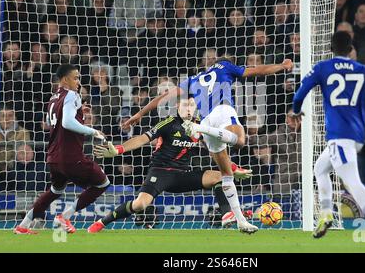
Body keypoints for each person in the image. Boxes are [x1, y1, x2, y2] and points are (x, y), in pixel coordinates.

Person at [123, 56, 293, 233]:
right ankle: (199, 128)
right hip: (221, 111)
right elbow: (256, 70)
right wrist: (282, 65)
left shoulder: (191, 80)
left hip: (206, 121)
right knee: (240, 141)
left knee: (226, 175)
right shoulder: (225, 66)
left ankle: (241, 221)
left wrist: (139, 114)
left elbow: (163, 97)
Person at [88, 96, 252, 232]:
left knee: (219, 177)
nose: (189, 108)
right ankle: (102, 223)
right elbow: (143, 138)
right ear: (177, 106)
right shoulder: (168, 123)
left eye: (192, 105)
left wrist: (232, 169)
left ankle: (227, 215)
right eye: (185, 105)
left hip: (182, 175)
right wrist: (118, 149)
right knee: (139, 204)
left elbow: (215, 151)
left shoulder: (200, 126)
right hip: (160, 172)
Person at [292, 31, 365, 248]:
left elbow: (299, 94)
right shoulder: (363, 69)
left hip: (339, 135)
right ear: (351, 48)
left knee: (351, 181)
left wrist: (295, 111)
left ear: (331, 48)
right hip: (356, 135)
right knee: (320, 168)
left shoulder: (323, 68)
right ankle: (326, 214)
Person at [13, 64, 110, 235]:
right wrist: (93, 131)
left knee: (55, 190)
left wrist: (81, 113)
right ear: (65, 80)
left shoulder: (53, 98)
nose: (78, 82)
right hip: (71, 156)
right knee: (103, 183)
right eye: (75, 78)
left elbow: (62, 122)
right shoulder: (72, 95)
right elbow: (67, 123)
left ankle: (23, 225)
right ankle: (64, 217)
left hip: (54, 156)